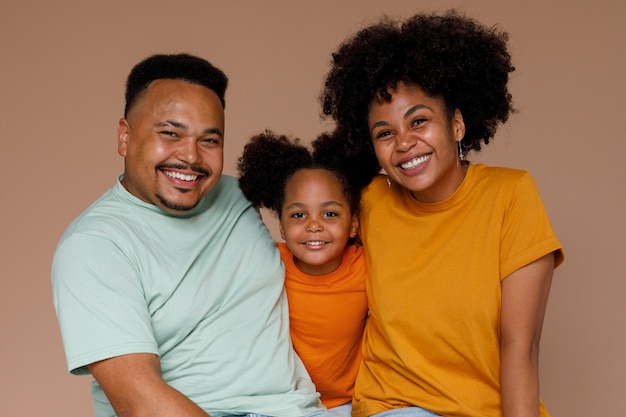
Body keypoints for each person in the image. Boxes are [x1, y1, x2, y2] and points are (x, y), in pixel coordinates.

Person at [51, 53, 327, 417]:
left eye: (209, 140)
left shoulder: (238, 196)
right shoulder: (94, 246)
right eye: (170, 134)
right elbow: (140, 402)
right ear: (124, 136)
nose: (191, 157)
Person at [320, 10, 565, 417]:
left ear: (456, 124)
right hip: (384, 407)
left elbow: (520, 346)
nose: (404, 143)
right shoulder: (367, 202)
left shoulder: (510, 194)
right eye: (385, 133)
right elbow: (301, 230)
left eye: (419, 121)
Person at [237, 131, 372, 417]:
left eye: (330, 214)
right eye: (299, 215)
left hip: (349, 404)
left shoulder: (366, 267)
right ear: (283, 227)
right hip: (284, 403)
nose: (313, 225)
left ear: (353, 225)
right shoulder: (268, 263)